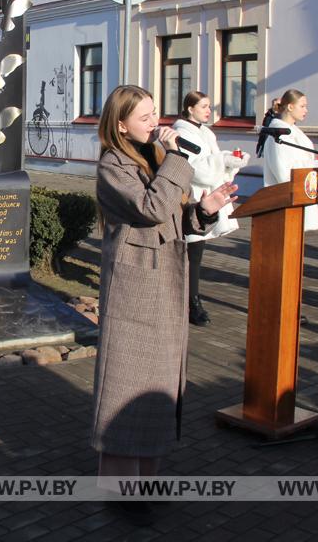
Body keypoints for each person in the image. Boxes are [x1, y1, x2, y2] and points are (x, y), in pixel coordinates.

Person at [92, 85, 235, 525]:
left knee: (158, 385)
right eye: (145, 117)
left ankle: (147, 480)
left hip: (165, 282)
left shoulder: (153, 158)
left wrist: (206, 209)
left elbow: (176, 218)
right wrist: (178, 158)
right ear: (120, 125)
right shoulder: (112, 166)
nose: (156, 123)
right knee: (128, 380)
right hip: (135, 288)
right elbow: (151, 208)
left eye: (155, 113)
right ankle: (119, 489)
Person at [172, 92, 248, 326]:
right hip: (192, 198)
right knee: (191, 252)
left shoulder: (206, 133)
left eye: (209, 106)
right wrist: (223, 159)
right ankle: (191, 303)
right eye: (204, 106)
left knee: (196, 253)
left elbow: (214, 167)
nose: (208, 111)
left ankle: (190, 299)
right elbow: (196, 169)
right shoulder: (183, 133)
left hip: (207, 200)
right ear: (189, 109)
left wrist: (231, 163)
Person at [263, 89, 318, 232]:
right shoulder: (279, 134)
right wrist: (314, 166)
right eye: (302, 106)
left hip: (301, 196)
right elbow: (283, 173)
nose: (306, 110)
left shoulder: (295, 131)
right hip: (286, 199)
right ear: (290, 107)